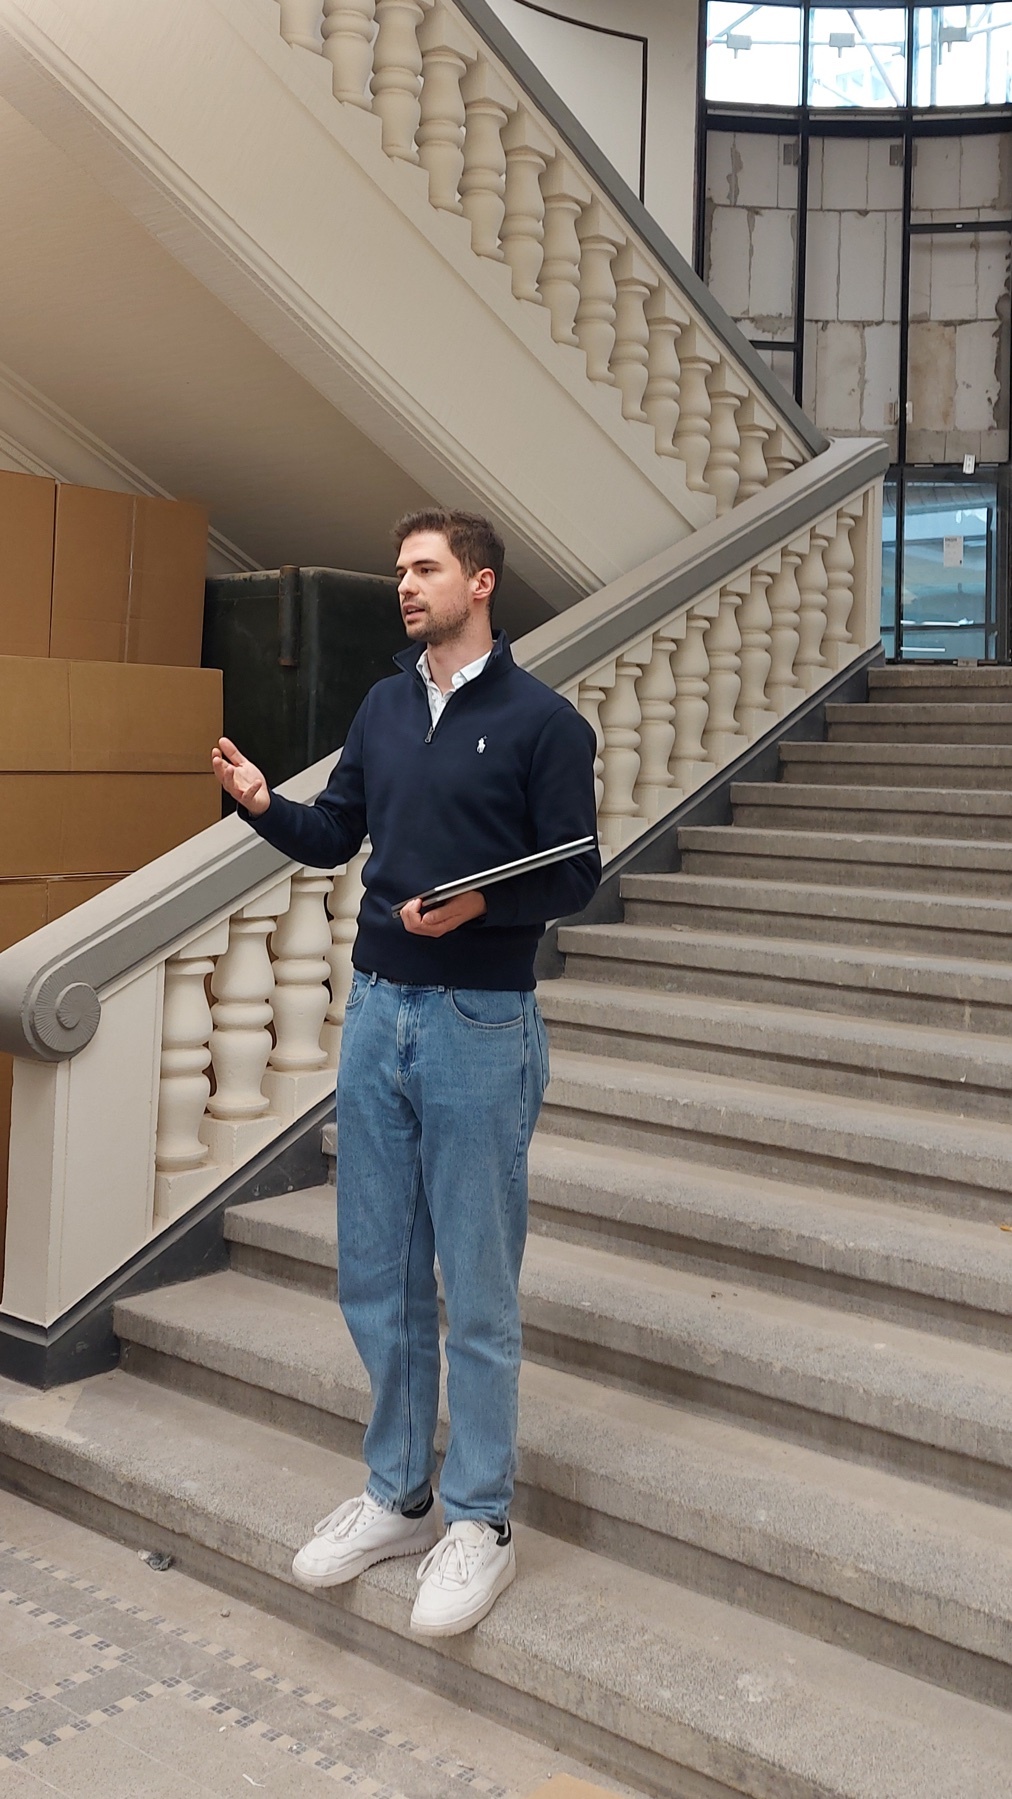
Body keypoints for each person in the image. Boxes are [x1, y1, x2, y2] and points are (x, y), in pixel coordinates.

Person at [211, 508, 600, 1637]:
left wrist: (486, 901)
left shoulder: (543, 722)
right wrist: (261, 808)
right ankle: (398, 1492)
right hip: (377, 1012)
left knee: (474, 1289)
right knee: (375, 1274)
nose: (405, 585)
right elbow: (338, 831)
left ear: (481, 582)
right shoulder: (383, 706)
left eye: (424, 568)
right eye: (399, 570)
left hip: (482, 1018)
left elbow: (573, 870)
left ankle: (480, 1518)